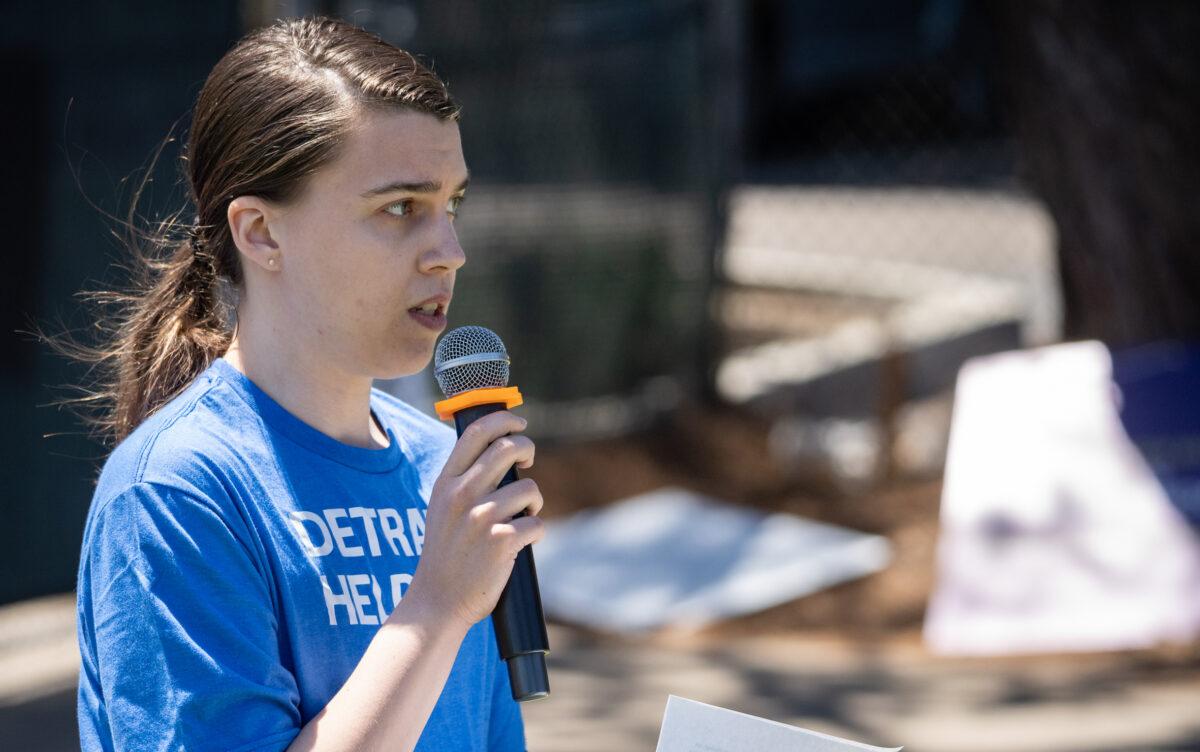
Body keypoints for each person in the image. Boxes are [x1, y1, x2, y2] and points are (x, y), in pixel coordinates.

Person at [70, 15, 545, 752]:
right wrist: (437, 606)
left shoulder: (442, 470)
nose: (449, 252)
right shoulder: (176, 492)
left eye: (452, 206)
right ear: (260, 232)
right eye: (400, 208)